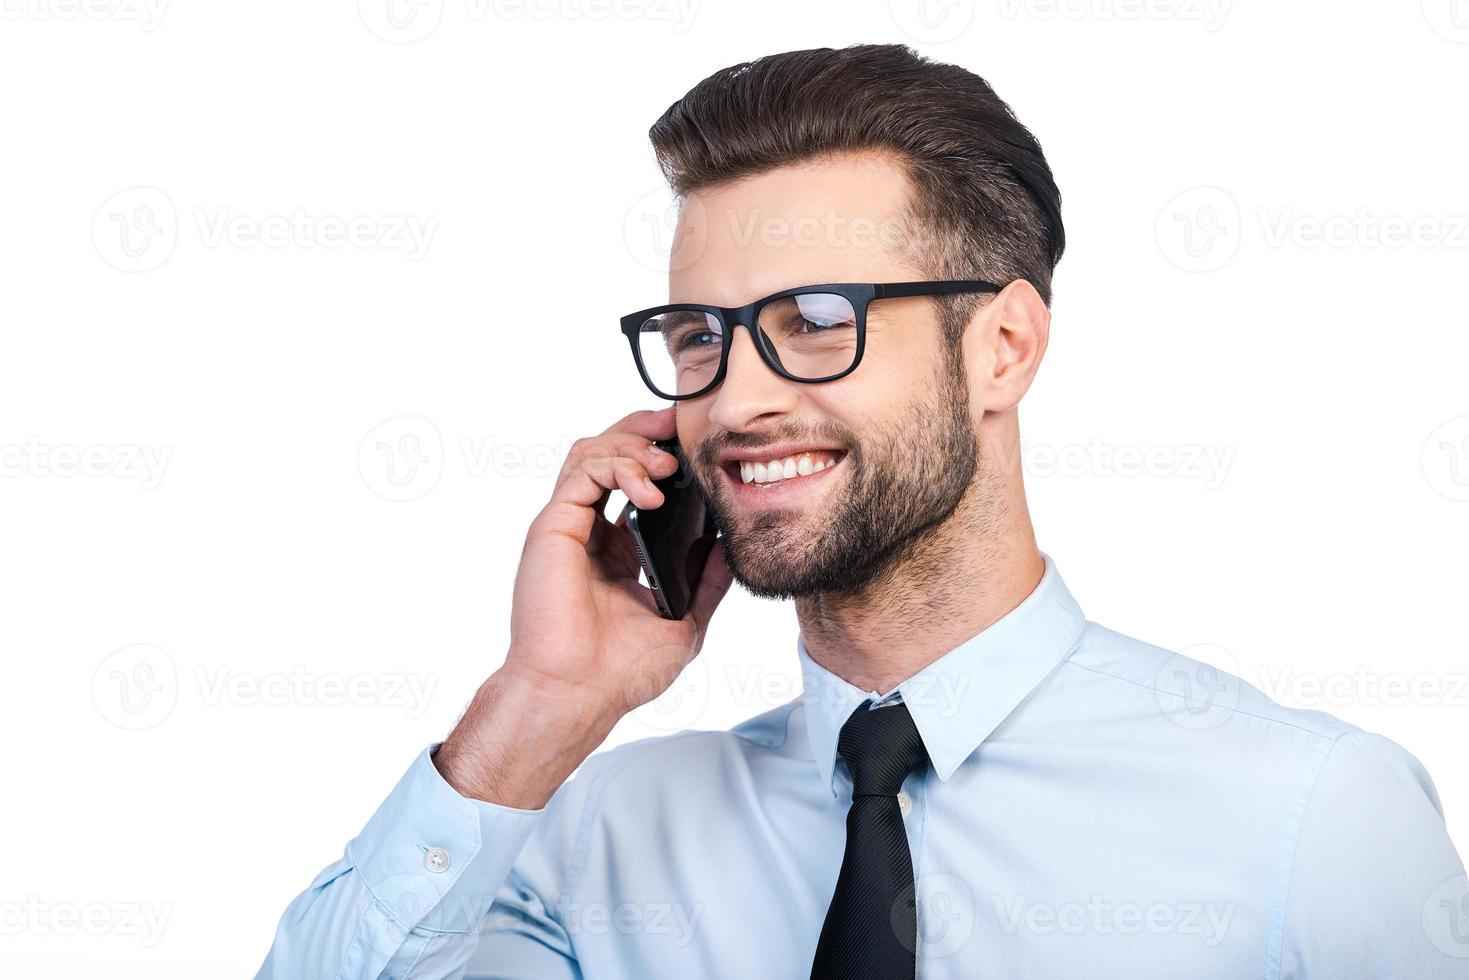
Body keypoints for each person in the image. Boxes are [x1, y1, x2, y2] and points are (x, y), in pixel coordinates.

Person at [255, 44, 1469, 979]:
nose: (733, 401)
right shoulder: (596, 835)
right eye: (697, 336)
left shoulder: (1306, 811)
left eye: (816, 321)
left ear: (1001, 347)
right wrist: (538, 706)